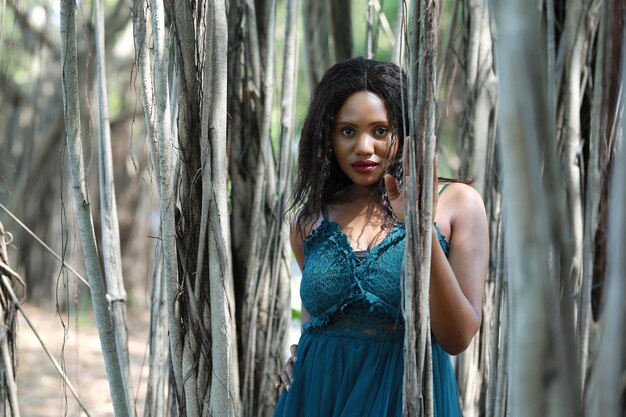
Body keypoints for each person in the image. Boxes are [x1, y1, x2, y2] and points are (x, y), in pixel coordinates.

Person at [273, 57, 489, 417]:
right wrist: (299, 354)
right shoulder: (310, 221)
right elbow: (318, 324)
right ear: (327, 136)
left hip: (405, 401)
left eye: (379, 130)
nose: (363, 147)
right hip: (317, 398)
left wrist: (419, 226)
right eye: (347, 131)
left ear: (403, 133)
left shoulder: (456, 203)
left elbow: (457, 337)